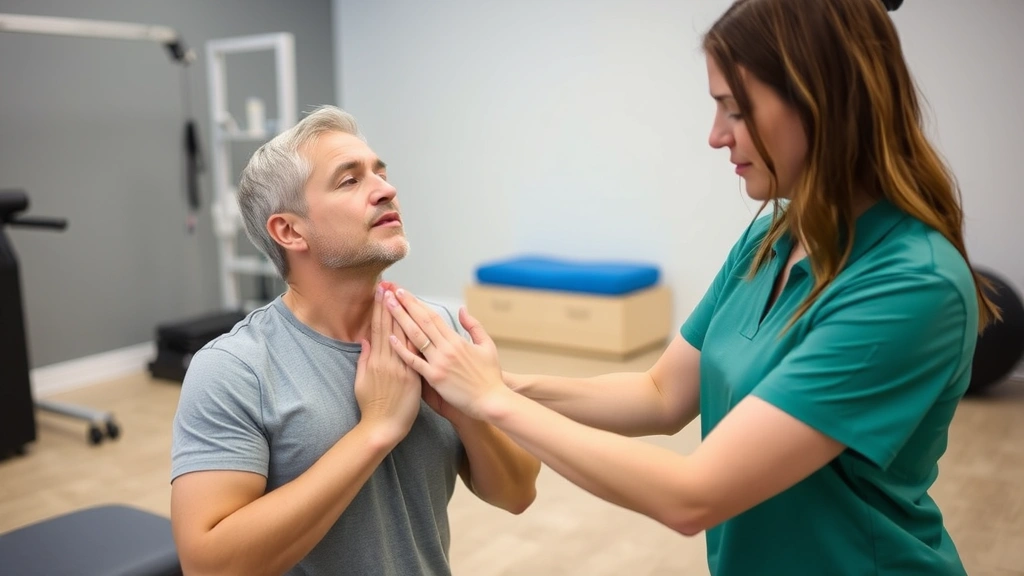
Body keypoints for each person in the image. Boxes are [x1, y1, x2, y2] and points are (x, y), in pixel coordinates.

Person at [379, 0, 1000, 574]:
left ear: (819, 101)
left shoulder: (910, 284)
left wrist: (494, 403)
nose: (716, 134)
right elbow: (660, 395)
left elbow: (693, 495)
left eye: (735, 107)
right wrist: (500, 382)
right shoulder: (774, 239)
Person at [169, 105, 540, 576]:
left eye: (379, 173)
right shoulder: (234, 369)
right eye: (350, 180)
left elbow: (518, 493)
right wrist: (376, 430)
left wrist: (472, 414)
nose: (386, 190)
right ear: (289, 230)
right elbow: (210, 567)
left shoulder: (435, 329)